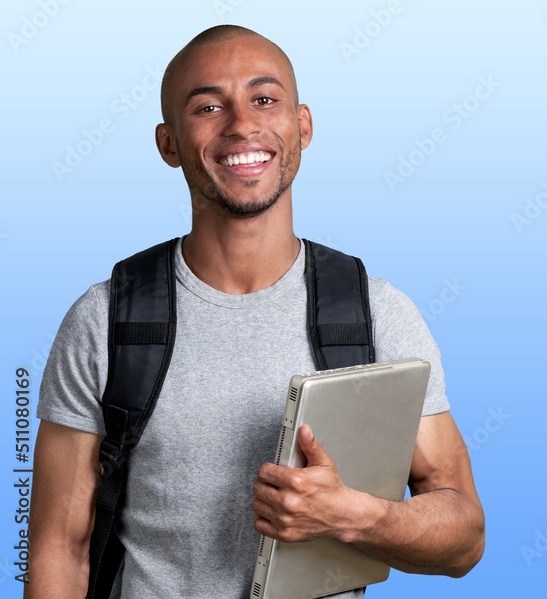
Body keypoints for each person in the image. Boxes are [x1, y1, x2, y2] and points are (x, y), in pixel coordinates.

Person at [27, 25, 485, 599]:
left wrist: (355, 517)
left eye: (264, 99)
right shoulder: (105, 319)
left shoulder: (375, 312)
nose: (242, 124)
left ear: (303, 126)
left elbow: (464, 539)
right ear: (168, 144)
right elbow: (58, 548)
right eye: (208, 106)